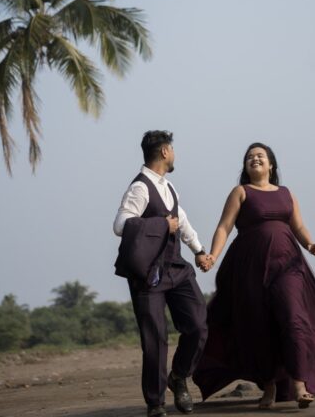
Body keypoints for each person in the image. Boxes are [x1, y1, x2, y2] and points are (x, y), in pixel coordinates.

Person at [193, 142, 315, 409]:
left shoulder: (286, 193)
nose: (255, 159)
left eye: (260, 156)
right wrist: (213, 255)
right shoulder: (241, 192)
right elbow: (224, 227)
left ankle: (299, 383)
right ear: (245, 166)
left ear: (271, 164)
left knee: (294, 318)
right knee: (259, 326)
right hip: (250, 268)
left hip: (288, 266)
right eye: (250, 157)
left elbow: (298, 225)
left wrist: (310, 244)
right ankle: (269, 386)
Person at [113, 130, 209, 417]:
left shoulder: (169, 187)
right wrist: (159, 224)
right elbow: (120, 225)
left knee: (198, 325)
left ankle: (179, 376)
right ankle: (155, 404)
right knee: (155, 339)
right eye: (173, 150)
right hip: (148, 276)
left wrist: (199, 250)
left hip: (176, 269)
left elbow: (183, 221)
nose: (175, 155)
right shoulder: (140, 188)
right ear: (165, 152)